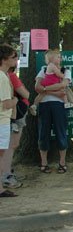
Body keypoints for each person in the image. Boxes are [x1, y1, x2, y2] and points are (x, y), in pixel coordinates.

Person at [35, 48, 71, 174]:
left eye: (60, 57)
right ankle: (44, 163)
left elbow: (63, 85)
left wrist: (45, 90)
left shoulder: (66, 71)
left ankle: (62, 162)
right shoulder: (43, 70)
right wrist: (54, 93)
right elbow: (37, 87)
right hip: (44, 105)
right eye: (57, 56)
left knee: (61, 132)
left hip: (60, 106)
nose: (59, 59)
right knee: (43, 133)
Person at [3, 65, 28, 189]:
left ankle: (7, 172)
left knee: (10, 145)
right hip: (15, 114)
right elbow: (26, 94)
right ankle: (6, 176)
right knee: (11, 145)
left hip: (12, 114)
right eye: (13, 57)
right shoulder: (10, 76)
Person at [0, 44, 19, 197]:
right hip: (2, 121)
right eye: (14, 57)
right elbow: (6, 104)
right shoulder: (2, 77)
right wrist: (15, 101)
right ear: (5, 59)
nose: (16, 59)